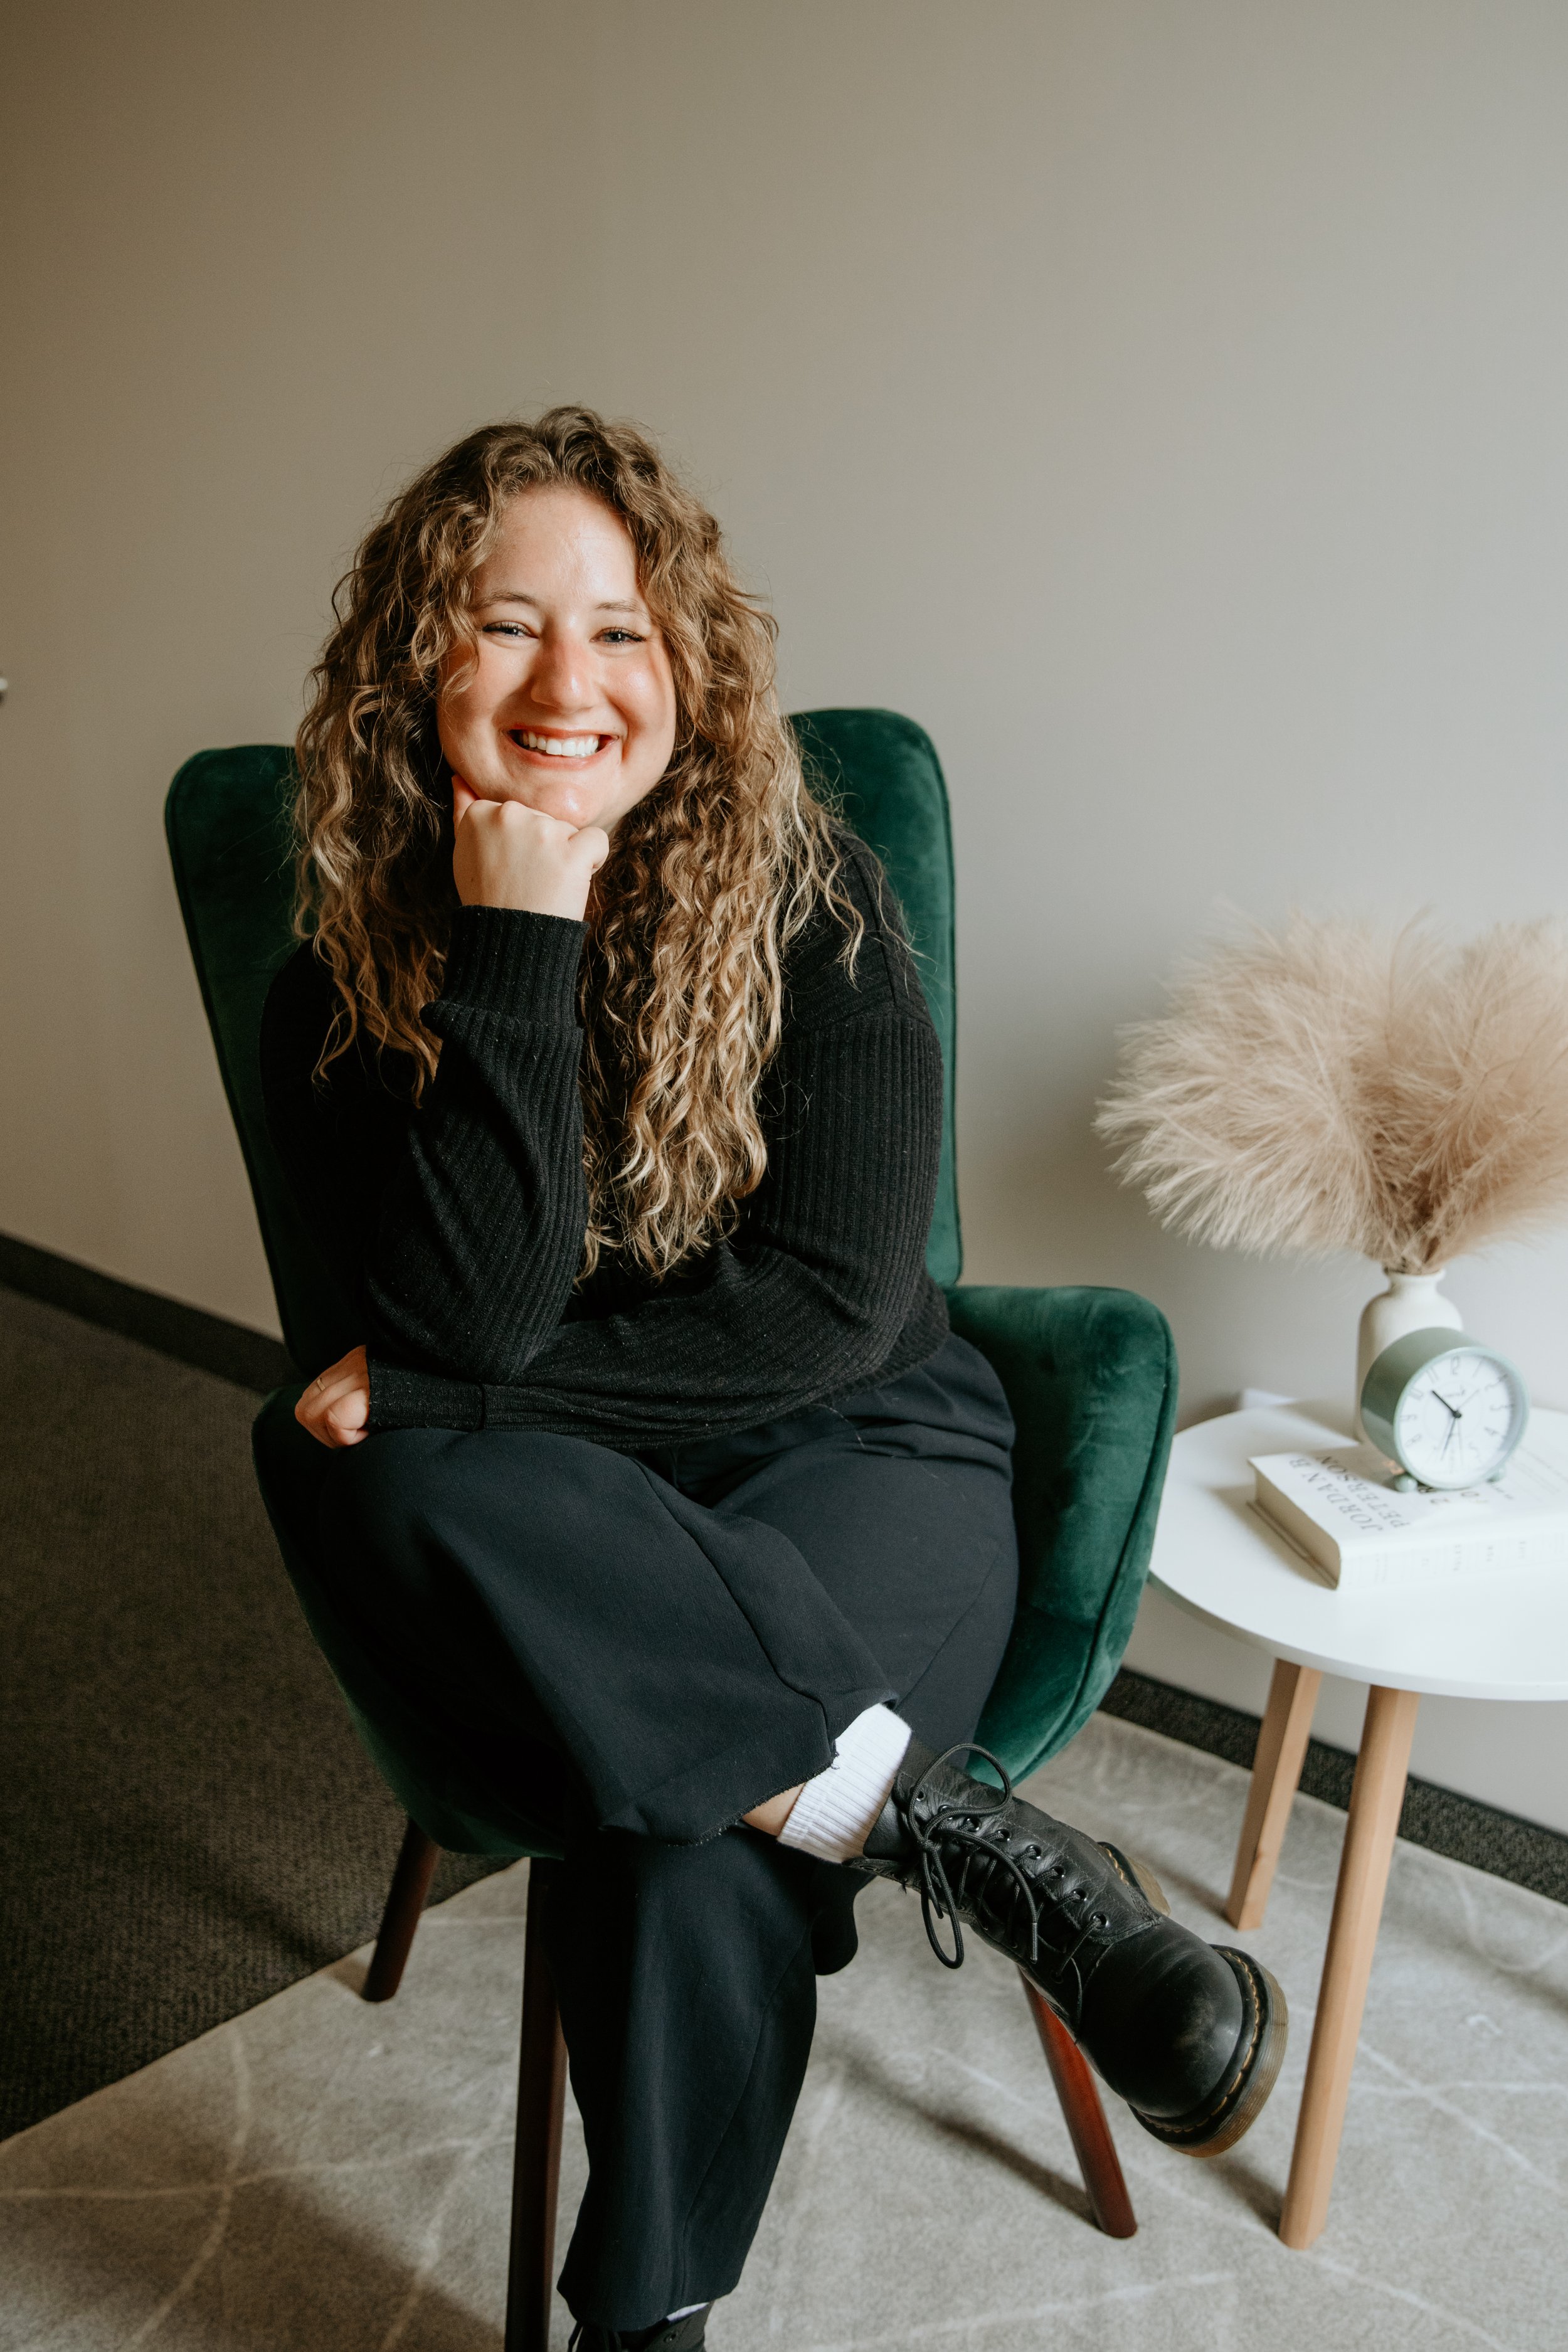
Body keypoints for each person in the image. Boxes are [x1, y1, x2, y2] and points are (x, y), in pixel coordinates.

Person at [259, 408, 1286, 2352]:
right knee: (341, 1463)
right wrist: (518, 933)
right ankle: (959, 1841)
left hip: (858, 1450)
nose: (569, 681)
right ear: (415, 660)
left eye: (624, 632)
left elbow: (823, 1307)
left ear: (690, 665)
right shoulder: (336, 985)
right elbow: (433, 1350)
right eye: (502, 624)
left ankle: (640, 2325)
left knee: (669, 1794)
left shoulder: (813, 903)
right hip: (562, 1519)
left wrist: (473, 1404)